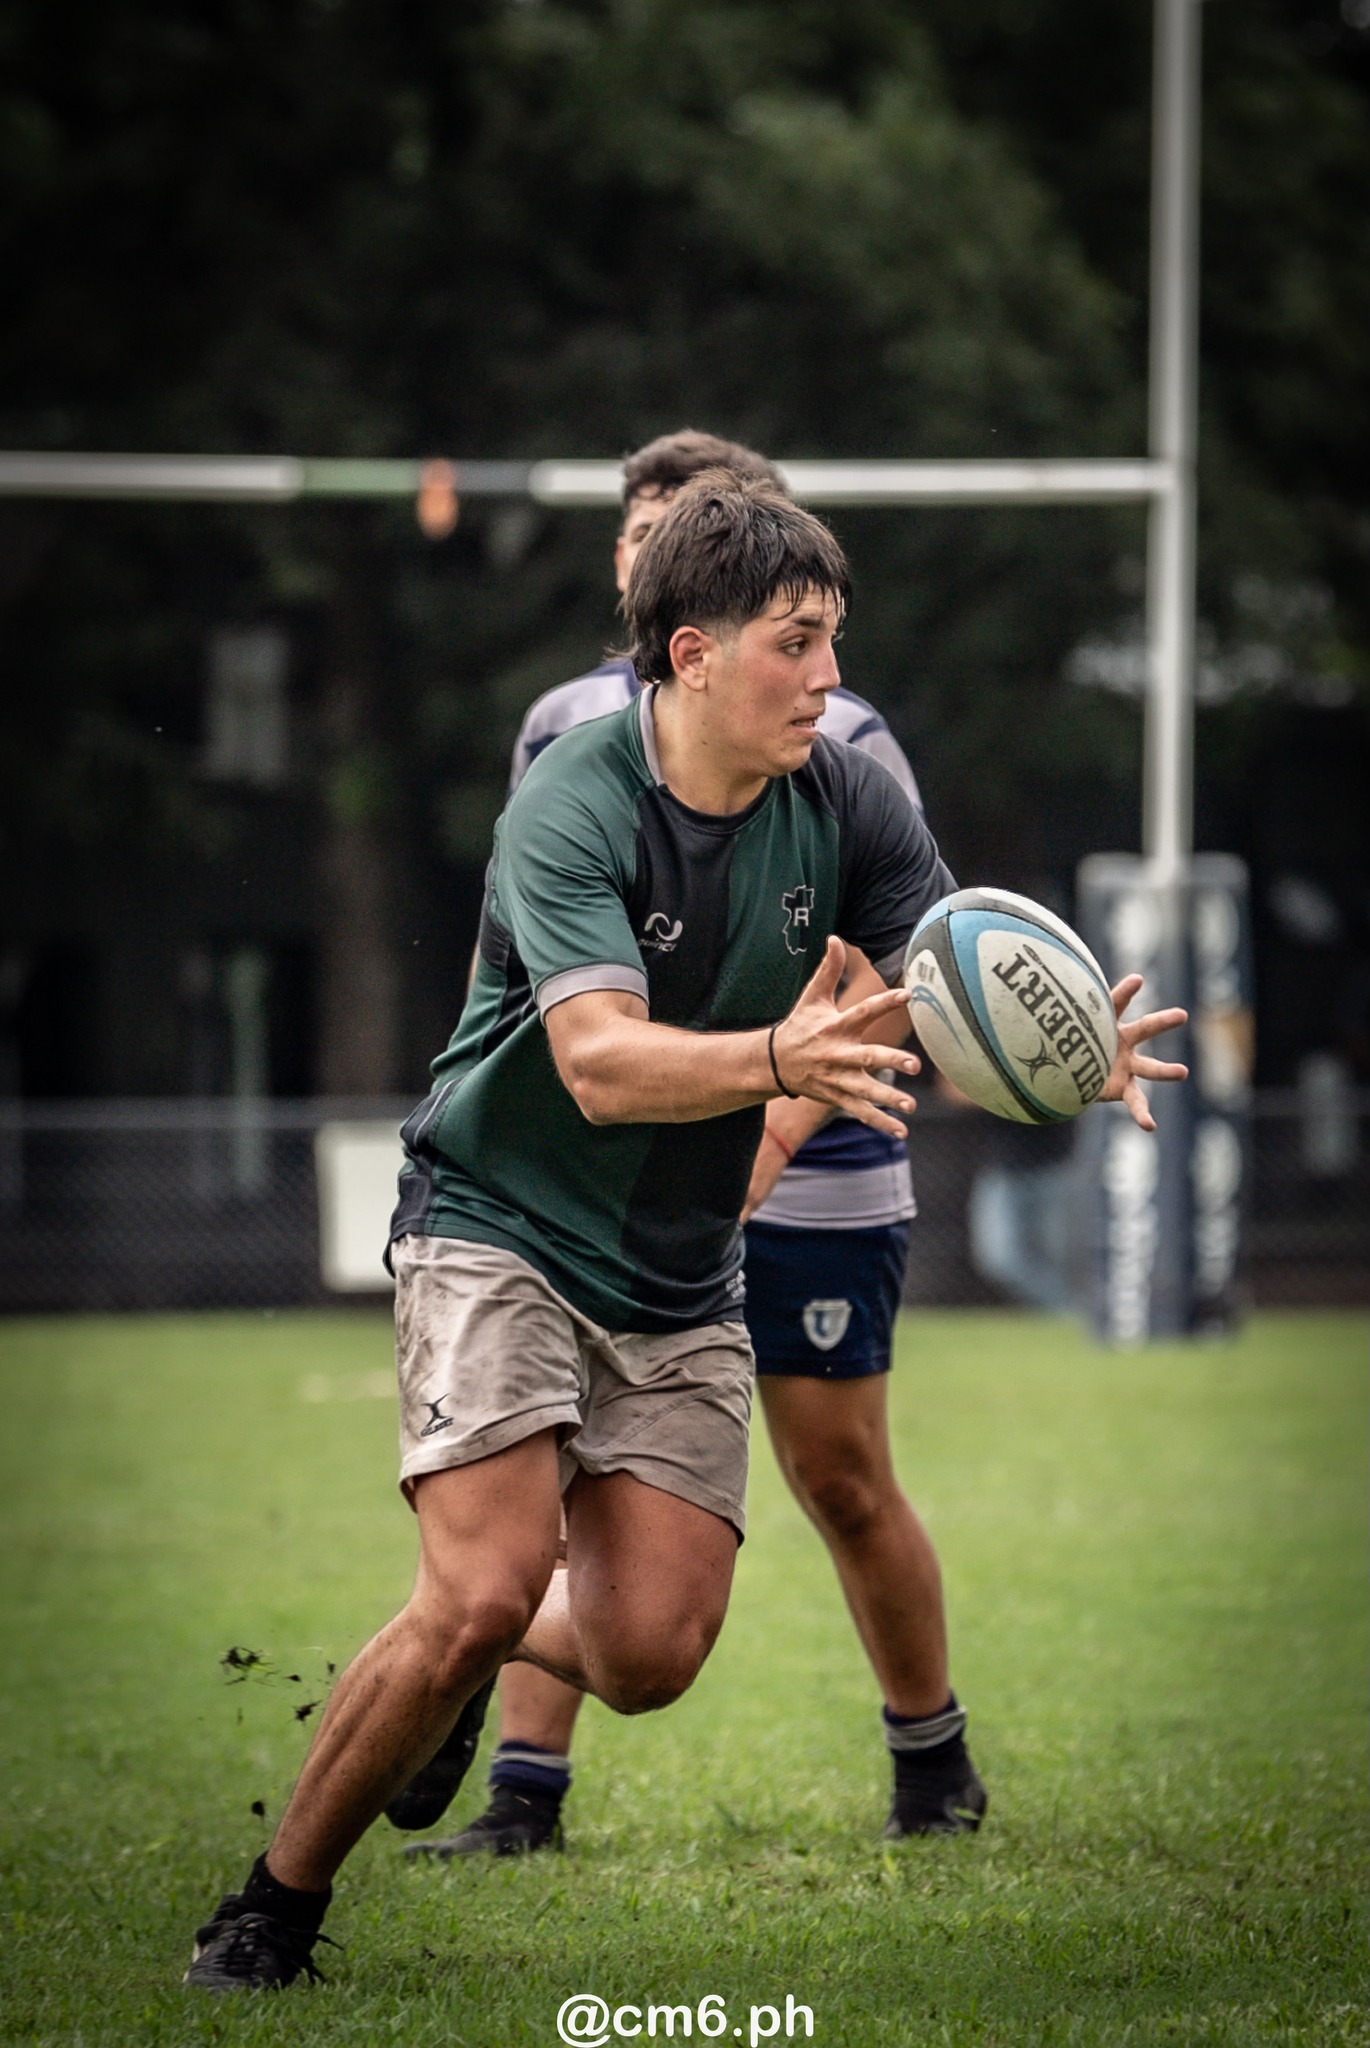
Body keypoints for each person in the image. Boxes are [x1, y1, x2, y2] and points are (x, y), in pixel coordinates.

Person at [184, 472, 1186, 1991]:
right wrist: (782, 1062)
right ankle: (267, 1915)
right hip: (503, 1222)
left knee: (648, 1656)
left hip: (678, 1261)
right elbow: (596, 1064)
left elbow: (941, 975)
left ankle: (473, 1662)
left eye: (832, 639)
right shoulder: (570, 801)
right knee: (475, 1585)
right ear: (690, 653)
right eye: (796, 643)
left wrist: (1063, 1052)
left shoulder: (843, 797)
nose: (830, 678)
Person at [397, 430, 985, 1861]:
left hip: (829, 1125)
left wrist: (785, 1122)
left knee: (837, 1475)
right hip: (642, 1137)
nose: (645, 546)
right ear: (647, 590)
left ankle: (931, 1756)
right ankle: (519, 1788)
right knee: (540, 1520)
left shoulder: (834, 738)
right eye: (635, 528)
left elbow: (904, 967)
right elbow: (562, 984)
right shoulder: (565, 740)